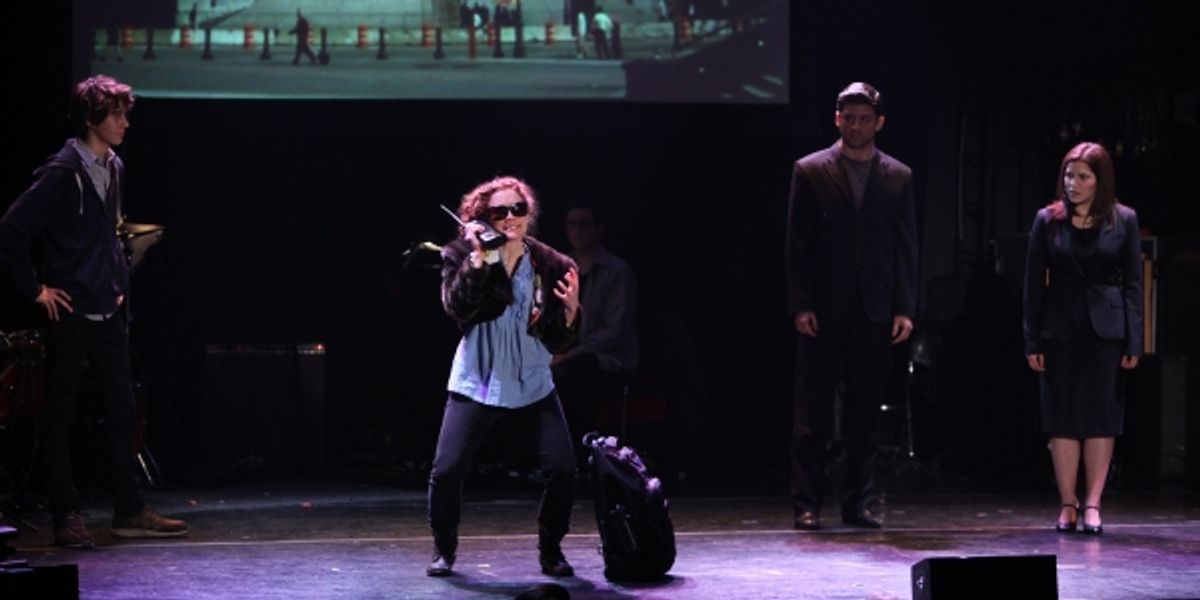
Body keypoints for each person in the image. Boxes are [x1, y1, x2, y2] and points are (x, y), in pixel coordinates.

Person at [0, 75, 189, 548]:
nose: (125, 122)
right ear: (91, 119)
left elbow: (107, 233)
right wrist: (35, 289)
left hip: (107, 306)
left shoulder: (115, 166)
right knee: (61, 412)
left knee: (122, 408)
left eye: (126, 113)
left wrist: (118, 281)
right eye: (117, 114)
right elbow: (12, 229)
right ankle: (67, 515)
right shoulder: (63, 172)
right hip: (71, 311)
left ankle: (128, 510)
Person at [426, 176, 581, 578]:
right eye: (500, 211)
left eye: (518, 209)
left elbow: (563, 339)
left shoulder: (554, 264)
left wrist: (570, 313)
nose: (511, 217)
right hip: (478, 378)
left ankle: (552, 550)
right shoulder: (461, 253)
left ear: (529, 214)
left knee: (563, 469)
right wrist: (481, 260)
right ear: (483, 217)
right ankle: (444, 547)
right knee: (446, 471)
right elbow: (459, 309)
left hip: (531, 379)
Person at [785, 82, 918, 530]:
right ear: (837, 119)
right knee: (813, 410)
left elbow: (905, 247)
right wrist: (801, 302)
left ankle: (856, 503)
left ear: (879, 123)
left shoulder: (898, 176)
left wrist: (905, 307)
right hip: (824, 306)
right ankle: (807, 503)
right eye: (849, 117)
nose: (856, 125)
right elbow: (797, 244)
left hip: (875, 308)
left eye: (865, 118)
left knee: (865, 412)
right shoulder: (811, 170)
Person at [1022, 142, 1142, 535]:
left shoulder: (1124, 220)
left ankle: (1093, 503)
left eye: (1083, 177)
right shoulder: (1048, 220)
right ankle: (1067, 503)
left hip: (1106, 332)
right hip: (1059, 330)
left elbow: (1134, 287)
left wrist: (1134, 341)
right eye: (1069, 176)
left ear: (1100, 180)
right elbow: (1032, 289)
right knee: (1063, 418)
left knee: (1101, 418)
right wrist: (1032, 341)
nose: (1073, 184)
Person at [552, 203, 638, 444]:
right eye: (571, 225)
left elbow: (615, 333)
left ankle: (577, 452)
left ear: (598, 228)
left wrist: (569, 354)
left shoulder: (617, 272)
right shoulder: (561, 266)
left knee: (572, 372)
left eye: (583, 224)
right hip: (568, 353)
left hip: (608, 361)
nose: (577, 231)